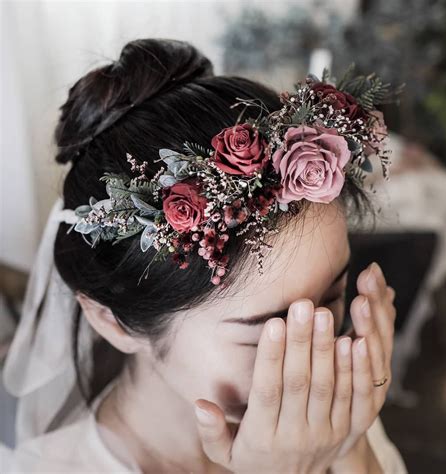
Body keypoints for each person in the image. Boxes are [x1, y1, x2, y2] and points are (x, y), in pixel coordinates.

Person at [2, 38, 407, 473]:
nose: (315, 360)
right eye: (265, 333)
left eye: (333, 299)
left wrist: (349, 449)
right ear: (111, 321)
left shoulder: (332, 420)